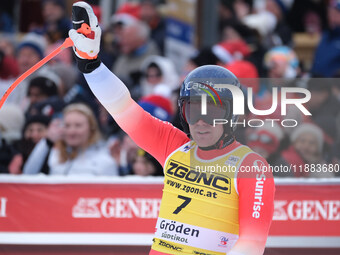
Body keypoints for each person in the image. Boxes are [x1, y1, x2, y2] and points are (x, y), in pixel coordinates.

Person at [69, 2, 275, 254]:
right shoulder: (174, 145)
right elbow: (123, 107)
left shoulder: (251, 167)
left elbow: (252, 244)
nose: (200, 120)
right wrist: (91, 65)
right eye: (193, 110)